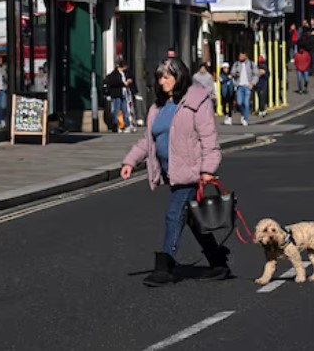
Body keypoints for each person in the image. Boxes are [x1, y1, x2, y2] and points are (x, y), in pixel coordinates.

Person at [120, 58, 229, 286]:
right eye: (160, 77)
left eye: (167, 76)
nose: (162, 81)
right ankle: (218, 262)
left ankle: (165, 267)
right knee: (191, 218)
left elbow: (209, 139)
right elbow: (148, 140)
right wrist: (130, 161)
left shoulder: (197, 101)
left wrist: (208, 169)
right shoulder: (158, 107)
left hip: (190, 172)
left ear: (179, 77)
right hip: (173, 173)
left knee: (174, 214)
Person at [105, 58, 134, 132]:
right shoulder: (114, 74)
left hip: (123, 94)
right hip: (117, 94)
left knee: (125, 110)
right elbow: (114, 82)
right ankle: (115, 126)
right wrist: (123, 83)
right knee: (116, 110)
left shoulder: (124, 73)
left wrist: (128, 82)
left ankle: (127, 125)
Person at [231, 52, 256, 126]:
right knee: (239, 102)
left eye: (242, 56)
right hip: (239, 86)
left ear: (245, 56)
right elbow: (232, 72)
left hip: (247, 86)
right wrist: (235, 73)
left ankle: (245, 119)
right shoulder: (236, 64)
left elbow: (256, 74)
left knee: (246, 103)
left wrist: (252, 83)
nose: (240, 57)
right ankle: (243, 114)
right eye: (239, 56)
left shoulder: (251, 64)